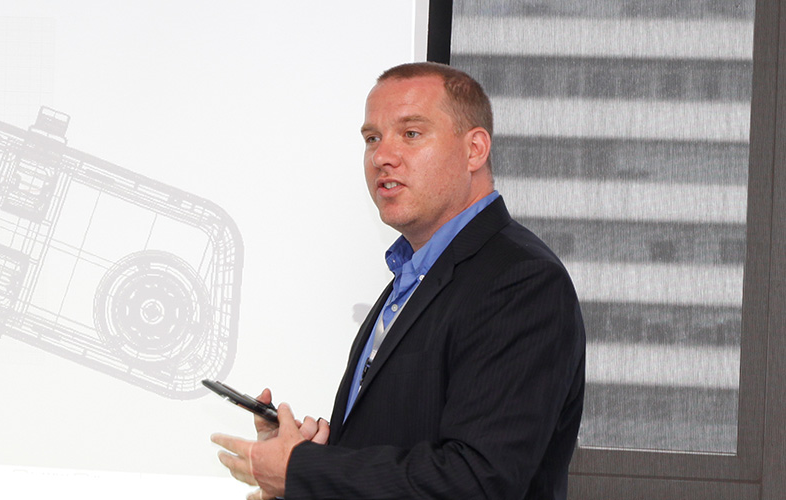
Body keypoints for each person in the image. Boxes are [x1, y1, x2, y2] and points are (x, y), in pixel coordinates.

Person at [211, 62, 585, 500]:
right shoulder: (413, 274)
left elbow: (478, 481)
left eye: (410, 133)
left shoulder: (521, 280)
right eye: (372, 138)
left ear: (475, 150)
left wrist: (304, 471)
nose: (382, 156)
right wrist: (311, 462)